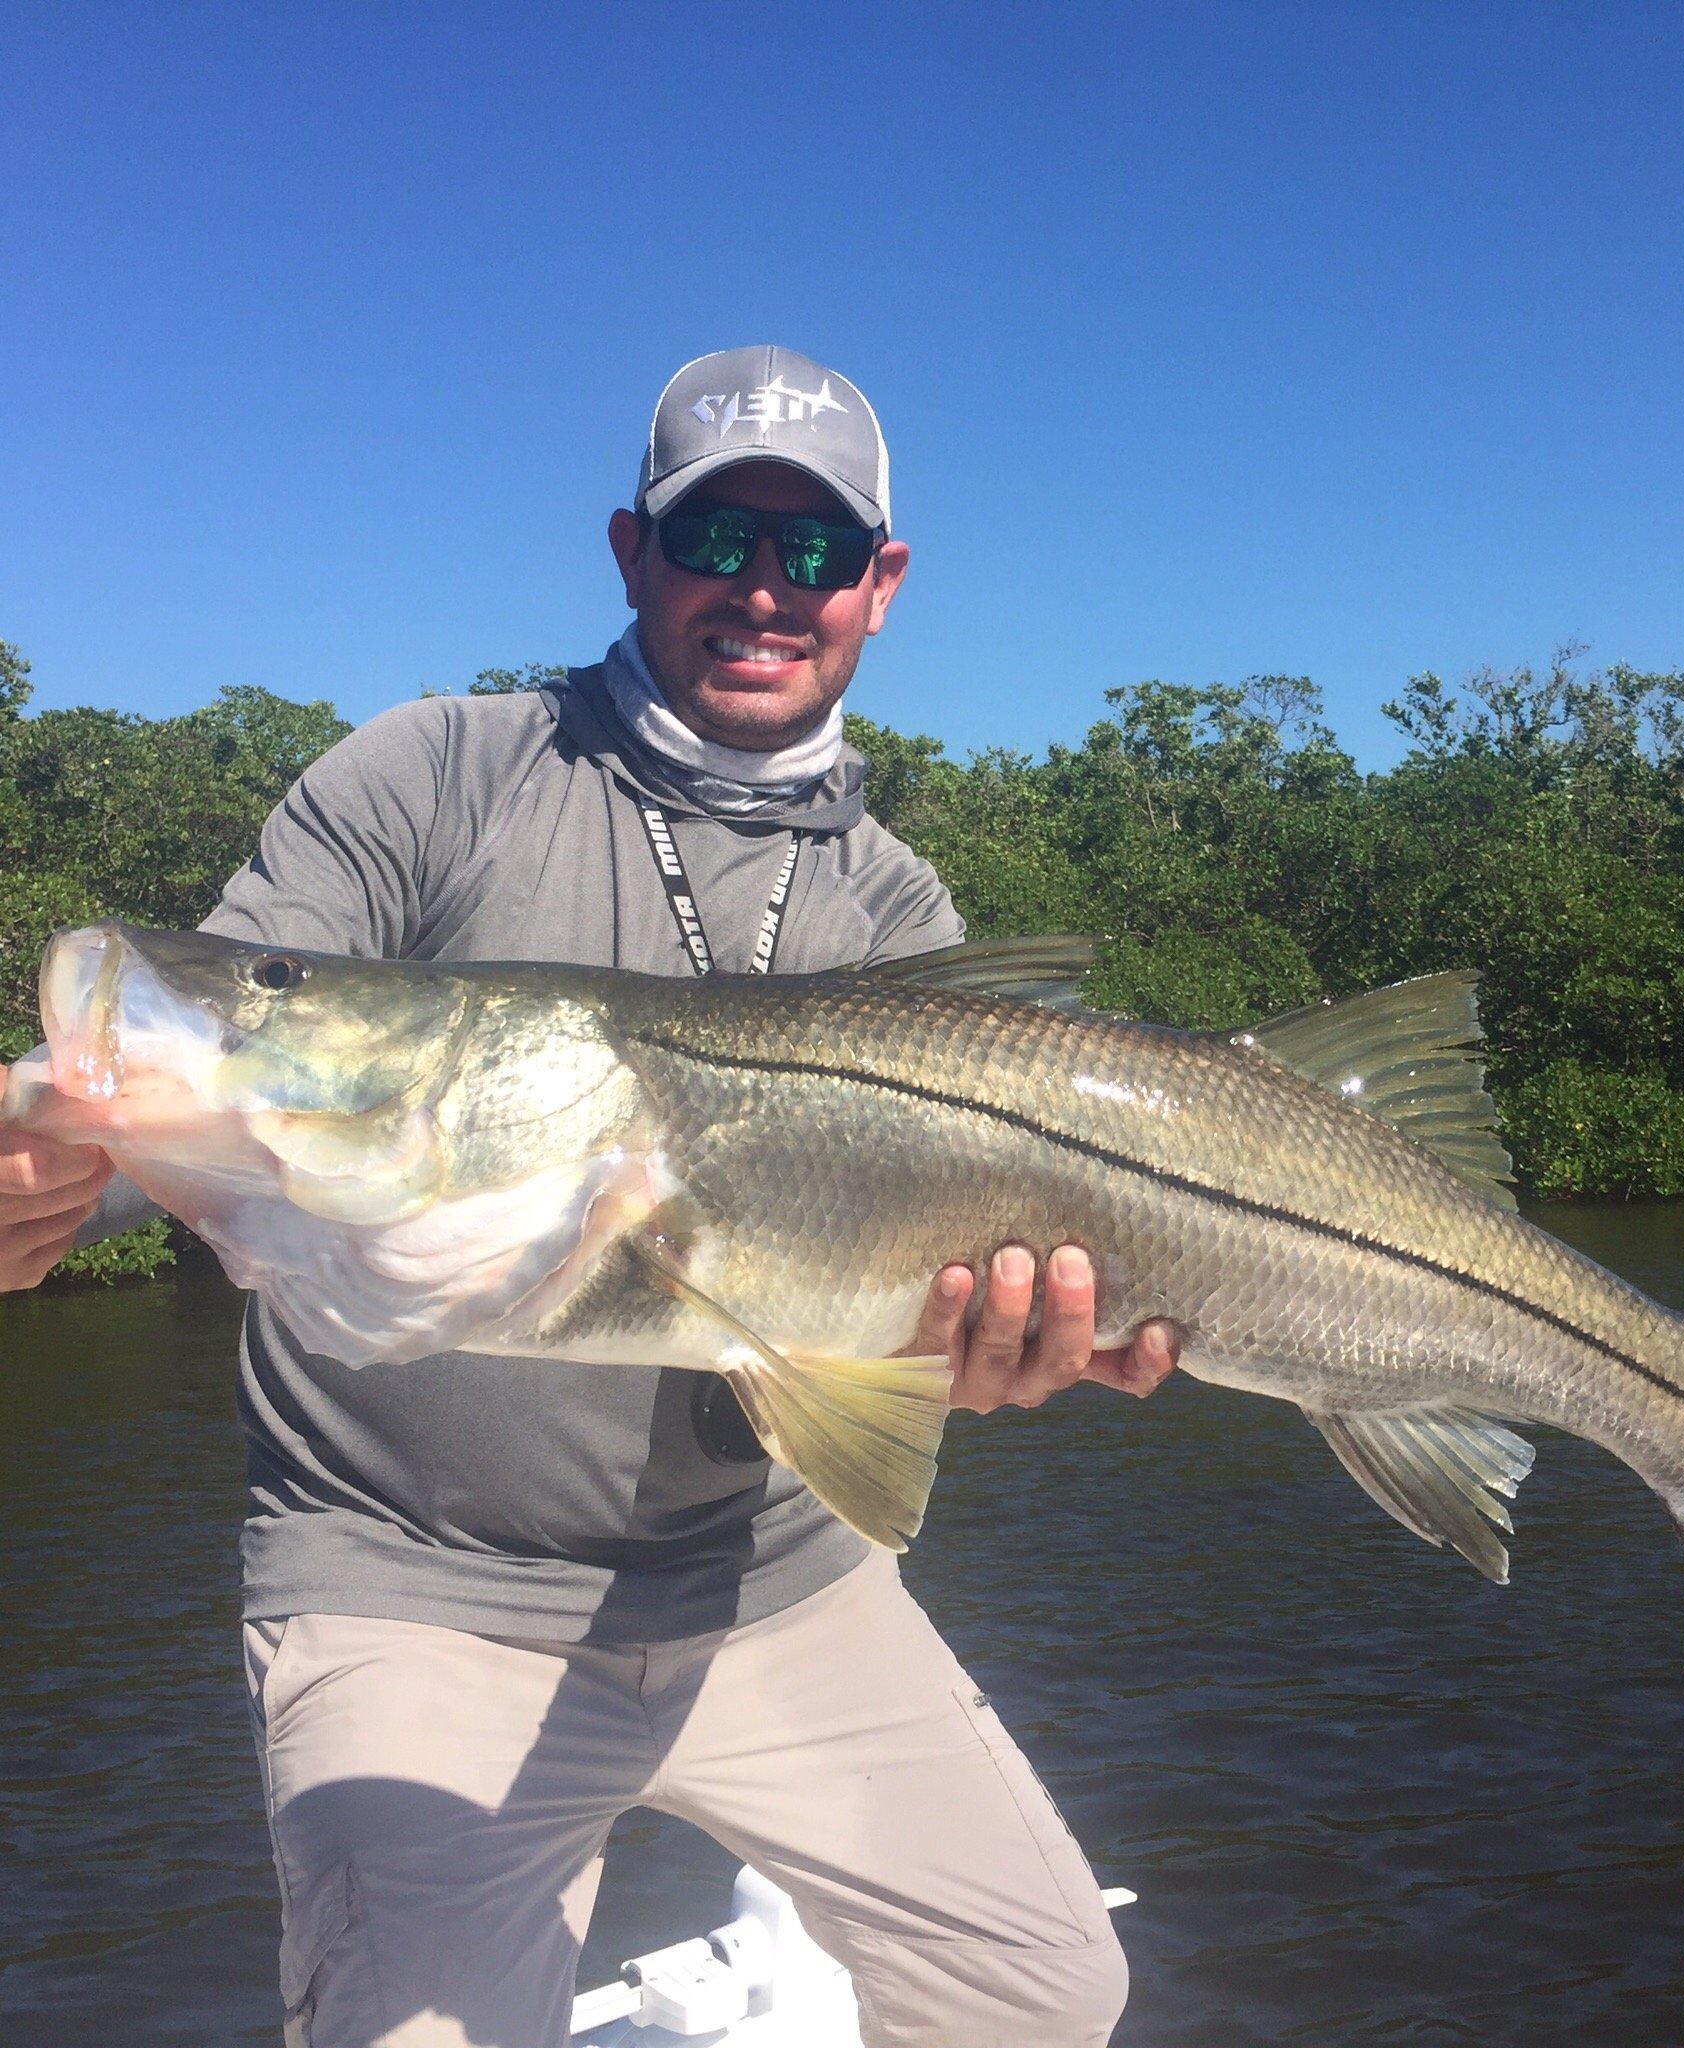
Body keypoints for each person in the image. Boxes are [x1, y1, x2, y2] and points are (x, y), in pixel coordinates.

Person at [0, 345, 1178, 2048]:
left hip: (772, 1582)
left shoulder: (898, 916)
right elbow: (193, 1098)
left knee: (1050, 1990)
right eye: (715, 542)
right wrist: (55, 1173)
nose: (761, 589)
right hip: (414, 1586)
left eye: (813, 552)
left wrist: (1000, 1358)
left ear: (880, 586)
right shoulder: (435, 775)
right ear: (633, 553)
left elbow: (888, 1356)